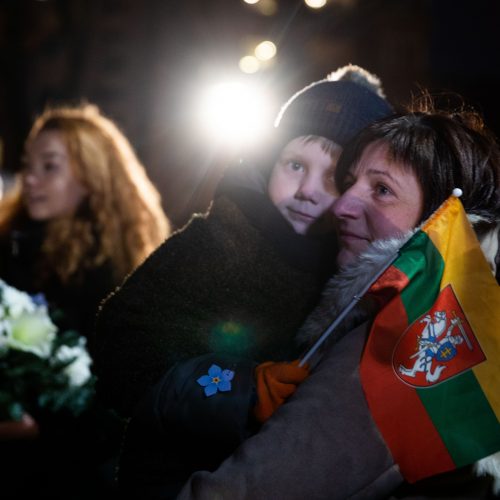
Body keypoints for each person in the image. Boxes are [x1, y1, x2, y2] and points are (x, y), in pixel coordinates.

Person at [175, 98, 500, 499]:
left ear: (437, 218)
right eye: (349, 184)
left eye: (382, 189)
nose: (342, 205)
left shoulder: (396, 346)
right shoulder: (458, 329)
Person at [93, 65, 394, 497]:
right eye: (294, 165)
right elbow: (122, 342)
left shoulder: (350, 272)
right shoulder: (214, 241)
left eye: (333, 178)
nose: (308, 190)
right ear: (266, 162)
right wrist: (236, 387)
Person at [0, 103, 170, 499]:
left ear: (92, 176)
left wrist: (32, 424)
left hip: (58, 473)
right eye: (28, 164)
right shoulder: (10, 248)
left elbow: (107, 407)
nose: (31, 178)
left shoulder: (116, 279)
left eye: (50, 166)